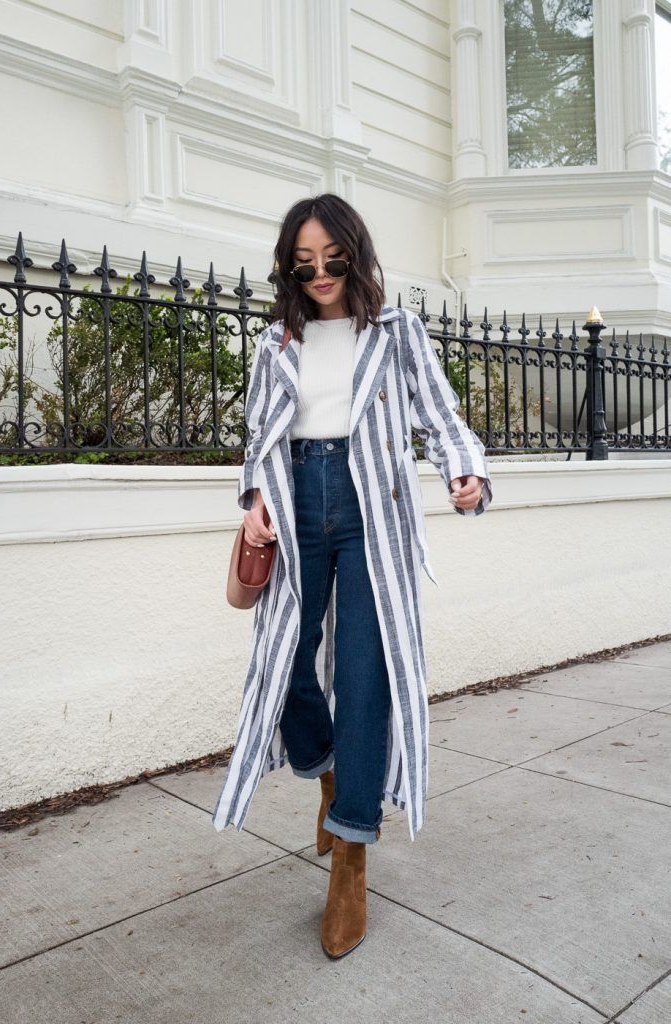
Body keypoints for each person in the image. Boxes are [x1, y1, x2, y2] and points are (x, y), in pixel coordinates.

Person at [212, 193, 492, 959]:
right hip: (300, 498)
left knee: (367, 676)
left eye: (332, 260)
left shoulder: (397, 332)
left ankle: (352, 855)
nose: (320, 274)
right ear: (289, 267)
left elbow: (441, 416)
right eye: (304, 264)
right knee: (284, 663)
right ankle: (326, 769)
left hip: (373, 509)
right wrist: (258, 499)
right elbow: (258, 437)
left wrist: (462, 474)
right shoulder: (277, 342)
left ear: (354, 254)